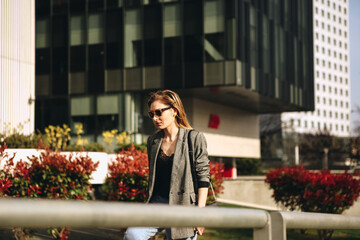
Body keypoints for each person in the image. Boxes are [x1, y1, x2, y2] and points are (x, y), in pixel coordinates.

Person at [124, 90, 210, 240]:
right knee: (133, 235)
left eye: (159, 112)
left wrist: (200, 214)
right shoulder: (153, 141)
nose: (155, 118)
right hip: (158, 203)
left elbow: (203, 177)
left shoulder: (194, 137)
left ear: (174, 111)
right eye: (152, 114)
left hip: (184, 207)